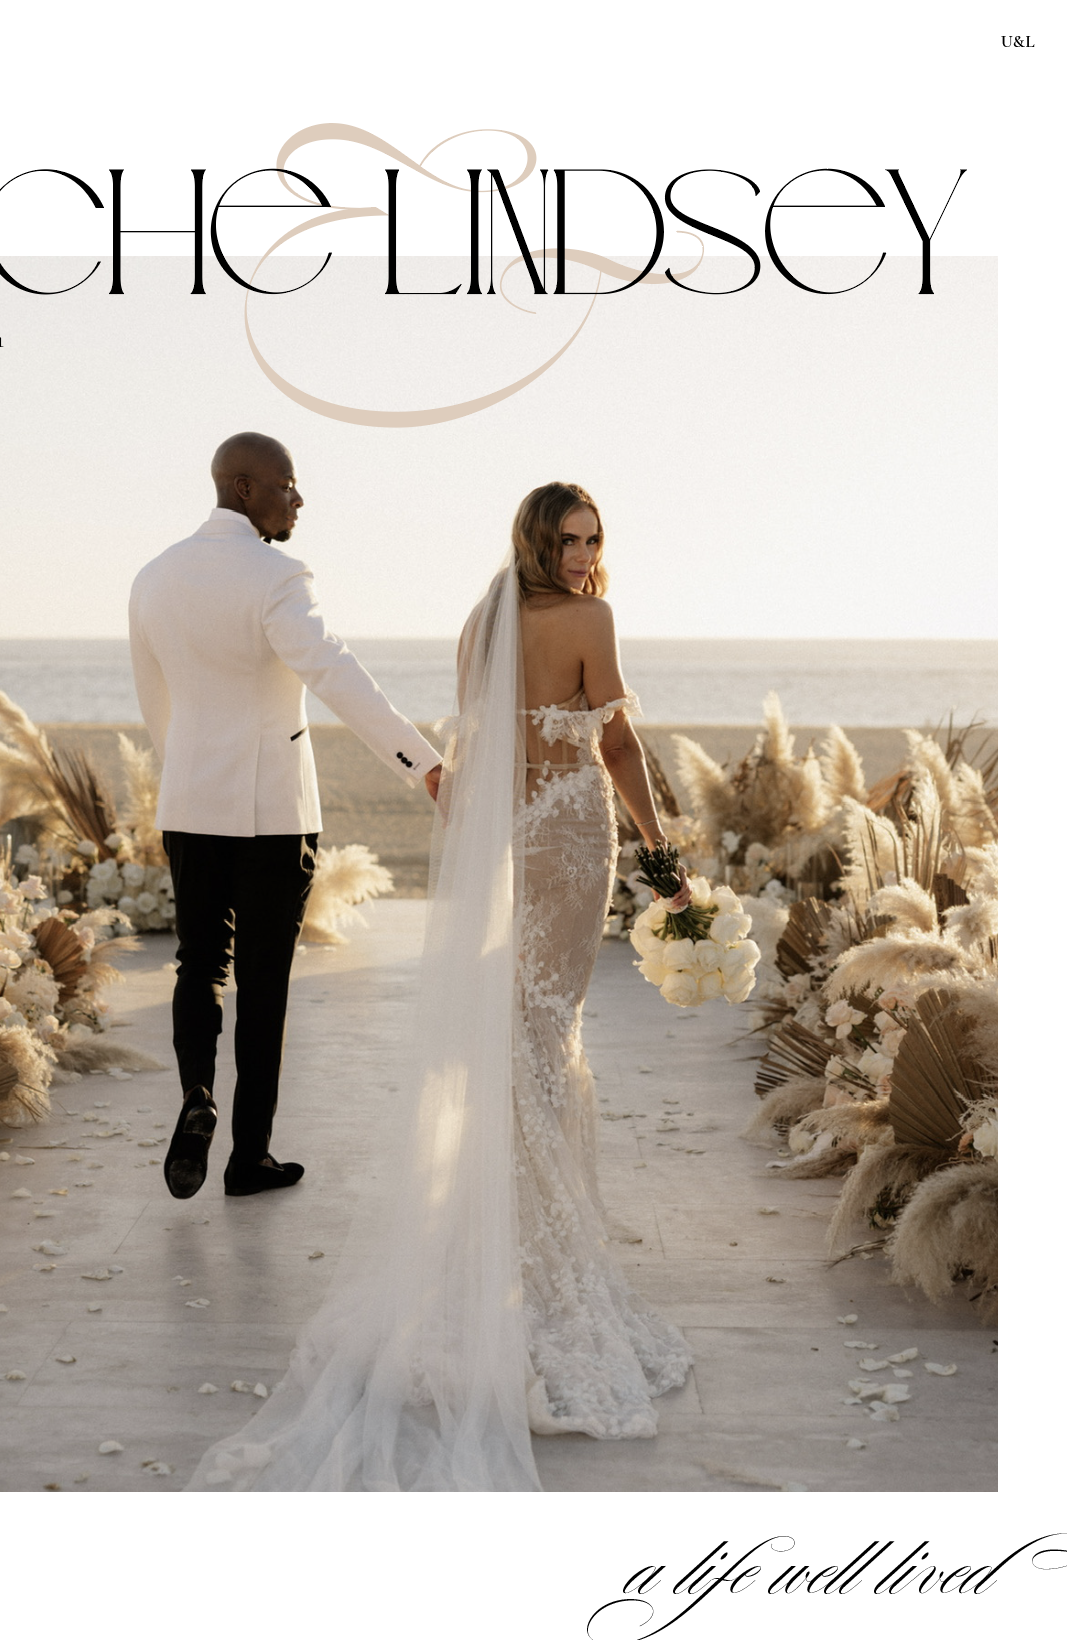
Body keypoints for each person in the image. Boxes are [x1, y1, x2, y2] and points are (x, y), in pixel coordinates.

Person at [186, 481, 692, 1490]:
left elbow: (473, 750)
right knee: (545, 1038)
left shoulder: (484, 617)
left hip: (512, 836)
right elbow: (619, 742)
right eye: (569, 539)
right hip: (572, 836)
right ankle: (546, 1270)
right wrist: (659, 843)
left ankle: (505, 1245)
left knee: (520, 1032)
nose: (585, 555)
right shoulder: (590, 617)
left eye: (594, 539)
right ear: (538, 540)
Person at [128, 433, 441, 1200]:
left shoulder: (152, 578)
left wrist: (188, 773)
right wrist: (422, 761)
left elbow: (154, 698)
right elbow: (335, 672)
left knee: (199, 965)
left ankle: (196, 1094)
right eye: (286, 486)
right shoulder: (278, 575)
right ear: (242, 487)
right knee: (265, 984)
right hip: (273, 814)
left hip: (191, 802)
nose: (298, 500)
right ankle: (249, 1156)